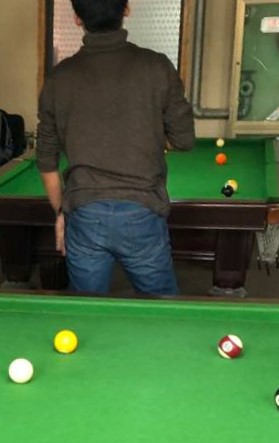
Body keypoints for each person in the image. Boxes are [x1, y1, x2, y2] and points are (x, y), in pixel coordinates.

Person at [36, 0, 195, 295]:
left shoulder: (59, 78)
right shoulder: (157, 66)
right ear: (127, 9)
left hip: (84, 213)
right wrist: (150, 134)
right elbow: (184, 140)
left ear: (77, 19)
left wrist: (61, 212)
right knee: (161, 309)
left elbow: (46, 159)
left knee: (88, 312)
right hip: (143, 209)